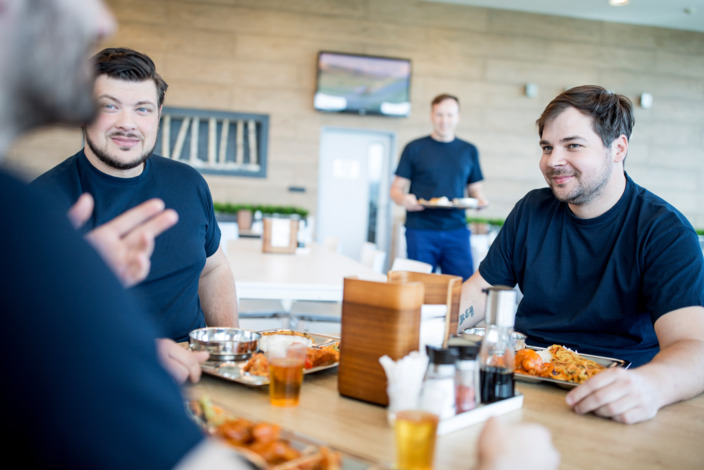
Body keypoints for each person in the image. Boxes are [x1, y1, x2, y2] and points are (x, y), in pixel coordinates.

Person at [458, 85, 704, 424]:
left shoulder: (665, 231)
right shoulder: (532, 210)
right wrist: (426, 324)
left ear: (618, 148)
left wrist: (652, 386)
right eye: (547, 147)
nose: (553, 161)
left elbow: (694, 345)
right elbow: (480, 292)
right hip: (525, 380)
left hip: (617, 395)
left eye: (573, 145)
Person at [32, 47, 239, 343]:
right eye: (109, 106)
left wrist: (230, 351)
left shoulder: (188, 182)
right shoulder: (41, 203)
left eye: (142, 108)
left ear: (158, 116)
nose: (127, 124)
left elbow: (213, 269)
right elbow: (30, 328)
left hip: (201, 369)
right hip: (104, 376)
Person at [390, 93, 488, 281]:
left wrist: (480, 200)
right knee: (419, 288)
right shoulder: (414, 148)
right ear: (431, 116)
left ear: (458, 117)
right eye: (439, 114)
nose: (444, 120)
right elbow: (395, 189)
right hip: (420, 230)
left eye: (450, 115)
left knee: (462, 286)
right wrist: (404, 200)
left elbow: (476, 190)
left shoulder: (469, 150)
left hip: (457, 230)